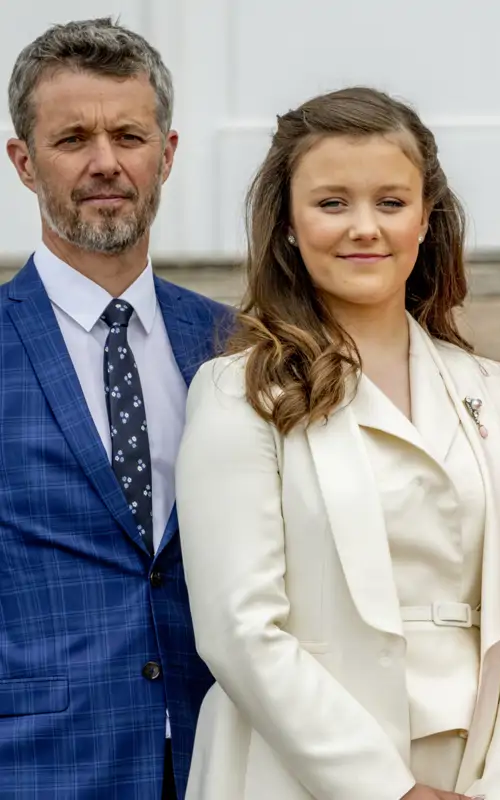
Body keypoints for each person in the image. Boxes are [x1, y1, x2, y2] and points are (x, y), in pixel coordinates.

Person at [175, 86, 500, 800]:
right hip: (296, 772)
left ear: (427, 218)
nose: (364, 227)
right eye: (332, 203)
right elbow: (241, 630)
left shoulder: (497, 393)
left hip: (472, 768)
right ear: (289, 224)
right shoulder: (238, 393)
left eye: (390, 202)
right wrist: (391, 792)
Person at [1, 18, 228, 799]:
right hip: (40, 766)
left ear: (165, 153)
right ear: (23, 163)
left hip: (220, 758)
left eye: (129, 135)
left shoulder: (236, 344)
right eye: (72, 140)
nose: (106, 163)